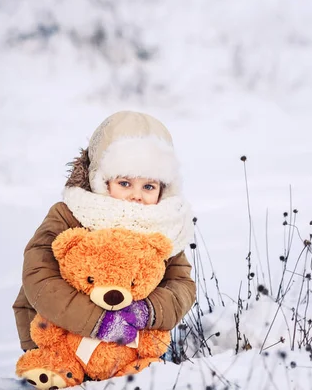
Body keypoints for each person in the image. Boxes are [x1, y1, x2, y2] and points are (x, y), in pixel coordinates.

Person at [12, 111, 196, 352]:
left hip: (128, 346)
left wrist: (147, 311)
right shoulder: (70, 214)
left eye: (148, 186)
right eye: (125, 183)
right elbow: (39, 275)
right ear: (101, 180)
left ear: (163, 189)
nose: (136, 195)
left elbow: (181, 284)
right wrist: (98, 321)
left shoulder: (162, 227)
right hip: (56, 341)